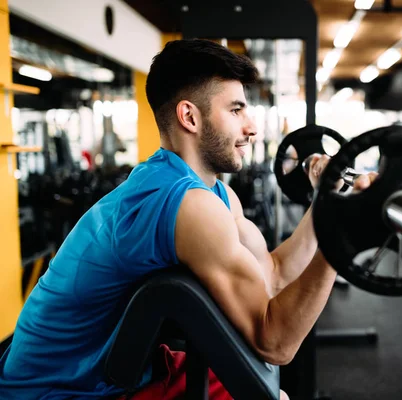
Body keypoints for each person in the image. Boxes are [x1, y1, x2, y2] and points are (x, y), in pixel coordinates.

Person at [0, 39, 376, 400]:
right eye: (235, 110)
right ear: (189, 117)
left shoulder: (213, 193)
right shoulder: (185, 204)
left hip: (109, 370)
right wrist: (337, 238)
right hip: (57, 391)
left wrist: (325, 202)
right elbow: (275, 341)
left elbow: (274, 274)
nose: (252, 127)